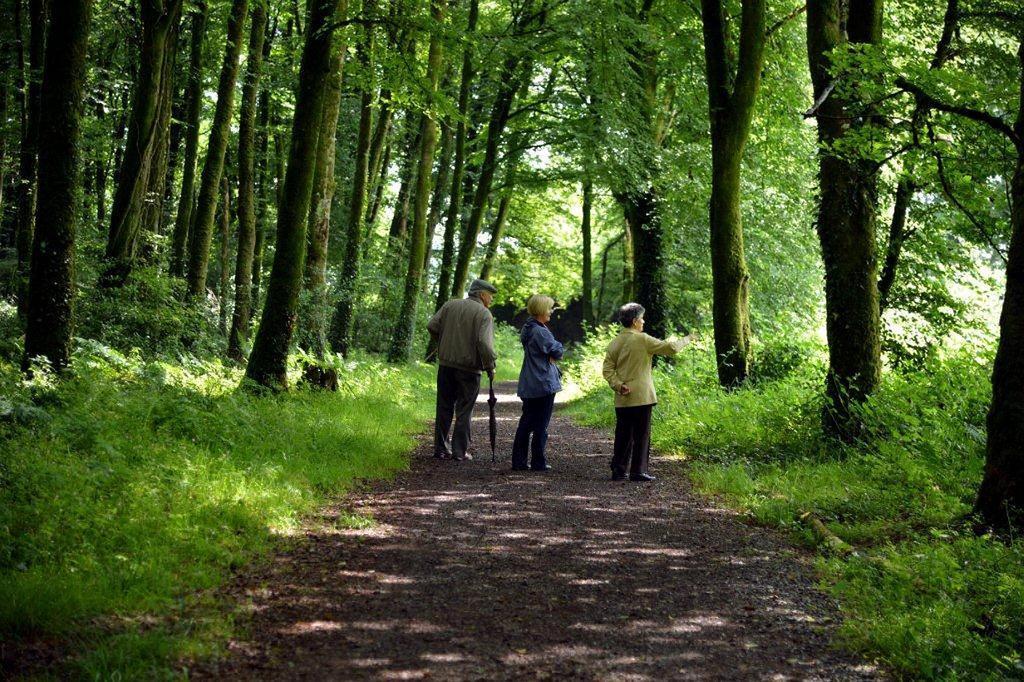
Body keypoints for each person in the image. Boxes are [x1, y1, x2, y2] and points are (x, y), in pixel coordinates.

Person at [602, 302, 692, 481]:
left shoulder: (614, 342)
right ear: (635, 321)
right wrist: (688, 339)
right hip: (642, 396)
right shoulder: (643, 339)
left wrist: (619, 385)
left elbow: (607, 370)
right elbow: (671, 348)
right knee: (642, 435)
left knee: (623, 434)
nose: (643, 322)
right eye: (642, 319)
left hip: (622, 397)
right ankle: (638, 471)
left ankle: (618, 470)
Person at [427, 278, 498, 461]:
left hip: (446, 365)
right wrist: (490, 365)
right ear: (482, 295)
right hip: (469, 369)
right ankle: (459, 451)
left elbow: (432, 326)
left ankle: (440, 449)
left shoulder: (450, 305)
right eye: (490, 296)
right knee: (464, 409)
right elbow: (484, 343)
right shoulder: (484, 314)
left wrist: (443, 342)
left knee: (444, 407)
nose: (490, 300)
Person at [511, 295, 564, 472]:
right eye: (549, 308)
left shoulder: (529, 328)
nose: (551, 311)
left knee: (526, 422)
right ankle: (538, 462)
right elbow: (557, 351)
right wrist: (556, 349)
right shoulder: (540, 331)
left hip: (530, 381)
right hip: (543, 382)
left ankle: (519, 461)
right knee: (541, 424)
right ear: (541, 310)